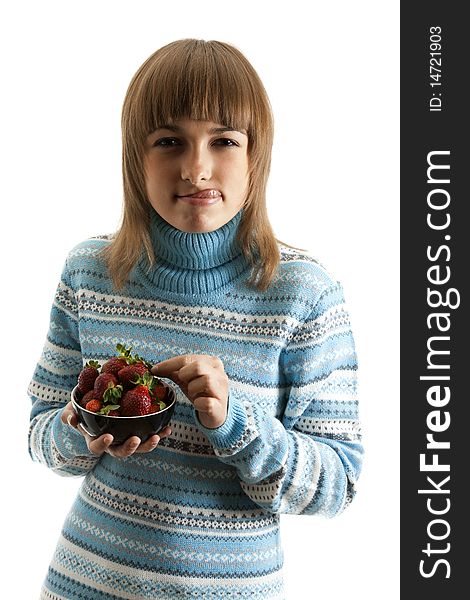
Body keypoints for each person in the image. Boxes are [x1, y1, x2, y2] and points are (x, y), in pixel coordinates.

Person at [28, 39, 363, 600]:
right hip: (83, 584)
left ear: (256, 157)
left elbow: (338, 483)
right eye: (168, 141)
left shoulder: (304, 294)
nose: (196, 168)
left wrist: (238, 422)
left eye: (224, 141)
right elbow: (40, 432)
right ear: (137, 158)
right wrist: (85, 427)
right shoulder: (90, 272)